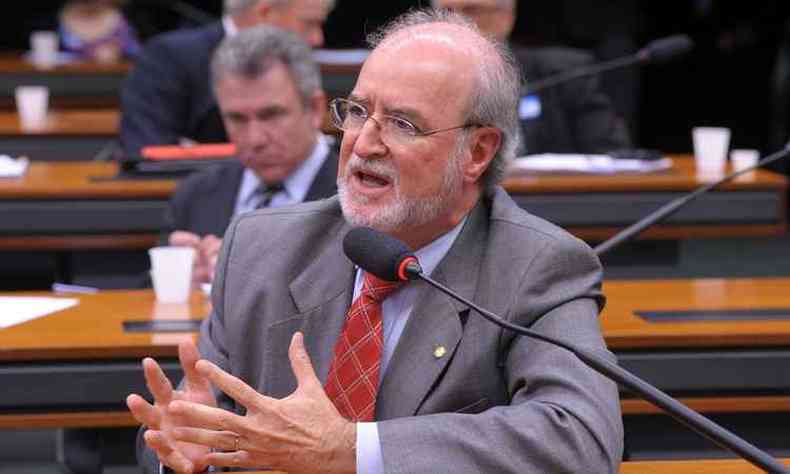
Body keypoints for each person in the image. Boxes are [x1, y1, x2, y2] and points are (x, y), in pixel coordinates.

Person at [127, 9, 623, 474]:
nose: (364, 143)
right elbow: (188, 425)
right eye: (359, 112)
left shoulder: (537, 265)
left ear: (477, 151)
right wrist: (188, 451)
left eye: (403, 124)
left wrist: (352, 449)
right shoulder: (260, 247)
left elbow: (580, 436)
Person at [163, 25, 338, 286]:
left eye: (271, 115)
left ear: (314, 109)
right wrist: (180, 280)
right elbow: (143, 294)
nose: (255, 139)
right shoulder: (195, 195)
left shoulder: (355, 198)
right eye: (237, 119)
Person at [119, 0, 334, 156]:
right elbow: (147, 150)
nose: (318, 38)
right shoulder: (167, 57)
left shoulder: (299, 63)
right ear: (265, 14)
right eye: (310, 23)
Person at [433, 0, 632, 155]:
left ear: (506, 17)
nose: (457, 23)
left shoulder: (564, 73)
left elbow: (611, 156)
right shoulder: (418, 81)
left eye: (472, 11)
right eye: (446, 13)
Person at [58, 0, 141, 62]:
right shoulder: (67, 15)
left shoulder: (120, 21)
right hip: (70, 75)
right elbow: (60, 51)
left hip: (110, 76)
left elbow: (136, 52)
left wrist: (117, 50)